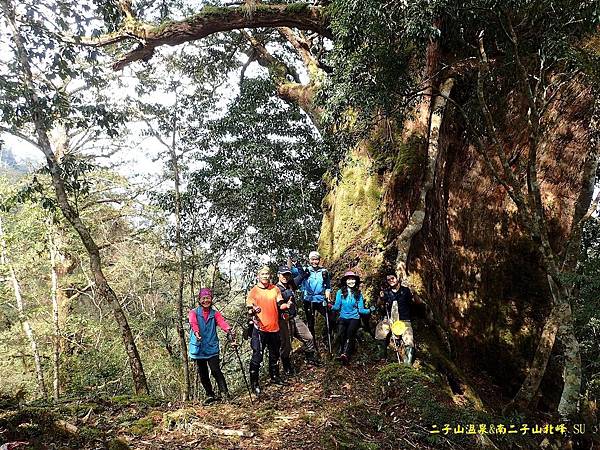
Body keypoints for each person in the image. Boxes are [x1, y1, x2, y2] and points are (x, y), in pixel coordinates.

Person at [188, 287, 233, 404]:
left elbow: (222, 322)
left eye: (208, 298)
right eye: (203, 298)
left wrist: (228, 330)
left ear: (211, 299)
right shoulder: (193, 312)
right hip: (199, 347)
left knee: (215, 370)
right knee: (202, 373)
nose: (206, 301)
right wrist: (197, 333)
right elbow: (193, 323)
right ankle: (210, 394)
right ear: (199, 300)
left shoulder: (215, 314)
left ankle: (225, 393)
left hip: (211, 346)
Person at [247, 266, 287, 396]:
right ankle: (254, 384)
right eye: (262, 274)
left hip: (274, 328)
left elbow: (280, 302)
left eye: (267, 274)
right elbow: (249, 309)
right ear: (258, 276)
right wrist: (254, 310)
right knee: (257, 356)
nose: (265, 276)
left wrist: (285, 306)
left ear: (270, 276)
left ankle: (275, 376)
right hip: (259, 329)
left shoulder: (275, 289)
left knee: (274, 354)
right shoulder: (254, 291)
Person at [276, 261, 320, 375]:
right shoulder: (275, 289)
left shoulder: (291, 285)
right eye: (283, 275)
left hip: (294, 318)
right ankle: (287, 367)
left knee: (309, 337)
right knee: (286, 346)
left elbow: (303, 275)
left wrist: (298, 265)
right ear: (278, 275)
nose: (285, 277)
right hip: (283, 321)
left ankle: (310, 357)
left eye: (287, 275)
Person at [376, 272, 423, 365]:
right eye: (388, 280)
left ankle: (407, 363)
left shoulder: (406, 291)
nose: (391, 281)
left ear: (397, 278)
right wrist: (380, 298)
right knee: (380, 332)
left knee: (409, 339)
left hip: (404, 319)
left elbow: (418, 303)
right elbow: (379, 304)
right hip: (389, 319)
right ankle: (382, 356)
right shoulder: (387, 292)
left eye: (392, 278)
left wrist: (414, 293)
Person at [331, 271, 370, 365]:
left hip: (354, 318)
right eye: (349, 279)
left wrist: (370, 310)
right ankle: (341, 352)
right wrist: (328, 305)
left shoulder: (358, 294)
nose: (351, 281)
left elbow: (361, 310)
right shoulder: (340, 292)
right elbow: (336, 306)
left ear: (356, 281)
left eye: (353, 279)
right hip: (343, 317)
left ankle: (346, 355)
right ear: (345, 281)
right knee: (340, 334)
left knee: (350, 334)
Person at [300, 250, 334, 351]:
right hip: (308, 299)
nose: (315, 262)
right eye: (312, 259)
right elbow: (297, 278)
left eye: (316, 259)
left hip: (320, 299)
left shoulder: (324, 271)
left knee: (331, 317)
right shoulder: (306, 270)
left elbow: (327, 285)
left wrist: (328, 293)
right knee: (310, 323)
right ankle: (312, 345)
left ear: (319, 260)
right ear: (309, 260)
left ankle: (326, 337)